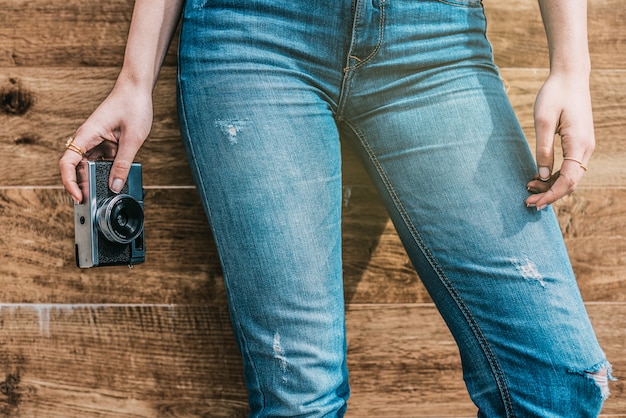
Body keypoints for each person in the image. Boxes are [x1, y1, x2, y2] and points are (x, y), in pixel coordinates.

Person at [60, 0, 613, 416]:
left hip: (433, 38)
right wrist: (135, 81)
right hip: (254, 35)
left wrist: (572, 68)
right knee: (301, 398)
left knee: (561, 379)